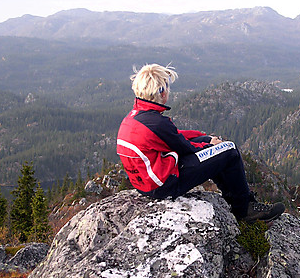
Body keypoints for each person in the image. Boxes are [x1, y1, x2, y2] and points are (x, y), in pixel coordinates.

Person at [117, 63, 284, 223]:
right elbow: (185, 148)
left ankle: (232, 199)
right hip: (164, 185)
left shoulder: (136, 117)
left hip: (146, 184)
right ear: (162, 93)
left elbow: (175, 137)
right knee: (229, 150)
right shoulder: (157, 123)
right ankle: (244, 209)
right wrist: (213, 145)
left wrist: (204, 138)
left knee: (208, 144)